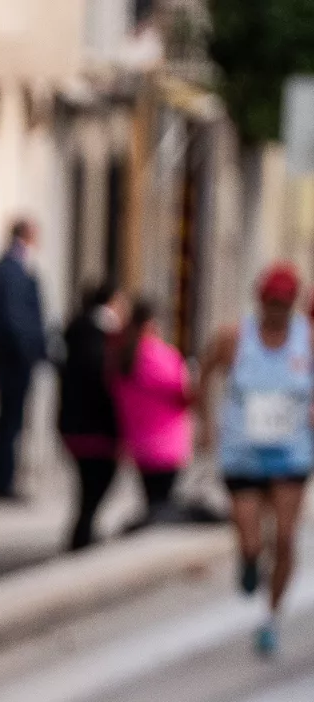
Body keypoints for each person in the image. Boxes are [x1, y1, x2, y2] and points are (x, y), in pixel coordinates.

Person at [202, 263, 314, 655]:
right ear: (260, 300)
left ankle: (271, 617)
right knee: (251, 538)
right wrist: (205, 425)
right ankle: (249, 559)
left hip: (292, 452)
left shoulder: (308, 340)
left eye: (286, 304)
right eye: (273, 303)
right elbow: (204, 374)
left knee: (284, 538)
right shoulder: (234, 338)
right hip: (243, 454)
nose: (279, 311)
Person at [0, 217, 47, 503]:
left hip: (14, 355)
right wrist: (27, 350)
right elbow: (13, 317)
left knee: (14, 419)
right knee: (10, 419)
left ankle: (7, 478)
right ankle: (3, 481)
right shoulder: (9, 269)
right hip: (12, 357)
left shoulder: (18, 267)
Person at [55, 284, 125, 552]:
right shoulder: (102, 338)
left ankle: (82, 532)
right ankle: (82, 535)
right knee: (95, 482)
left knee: (88, 485)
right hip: (95, 426)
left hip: (74, 422)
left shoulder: (77, 332)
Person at [111, 296, 191, 530]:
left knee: (151, 501)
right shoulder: (159, 355)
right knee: (162, 506)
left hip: (139, 444)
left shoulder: (124, 355)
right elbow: (183, 391)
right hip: (166, 445)